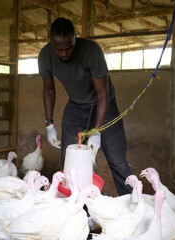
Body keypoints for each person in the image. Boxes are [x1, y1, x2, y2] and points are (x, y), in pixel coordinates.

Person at [38, 17, 133, 195]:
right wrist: (49, 124)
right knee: (70, 161)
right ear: (51, 43)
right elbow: (49, 89)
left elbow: (102, 93)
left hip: (104, 106)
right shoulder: (45, 56)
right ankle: (79, 214)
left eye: (69, 47)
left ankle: (134, 207)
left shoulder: (90, 51)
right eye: (59, 49)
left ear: (75, 37)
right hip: (75, 107)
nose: (65, 53)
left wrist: (97, 131)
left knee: (117, 161)